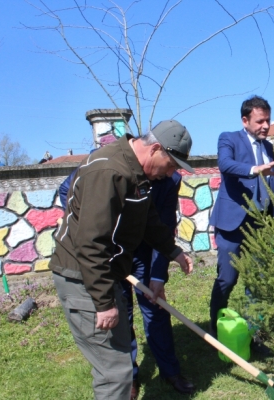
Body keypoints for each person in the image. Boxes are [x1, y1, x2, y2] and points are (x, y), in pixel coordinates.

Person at [50, 120, 196, 399]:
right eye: (171, 165)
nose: (170, 174)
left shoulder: (136, 172)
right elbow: (91, 243)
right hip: (83, 278)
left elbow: (148, 218)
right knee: (115, 373)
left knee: (117, 365)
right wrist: (103, 303)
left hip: (107, 272)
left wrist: (172, 251)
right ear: (155, 148)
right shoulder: (109, 171)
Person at [208, 95, 274, 336]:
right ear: (245, 120)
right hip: (232, 225)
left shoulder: (269, 148)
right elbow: (225, 165)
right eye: (260, 121)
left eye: (268, 120)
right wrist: (255, 169)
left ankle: (254, 333)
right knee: (227, 280)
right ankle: (216, 331)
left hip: (260, 226)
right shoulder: (229, 139)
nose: (266, 126)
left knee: (257, 281)